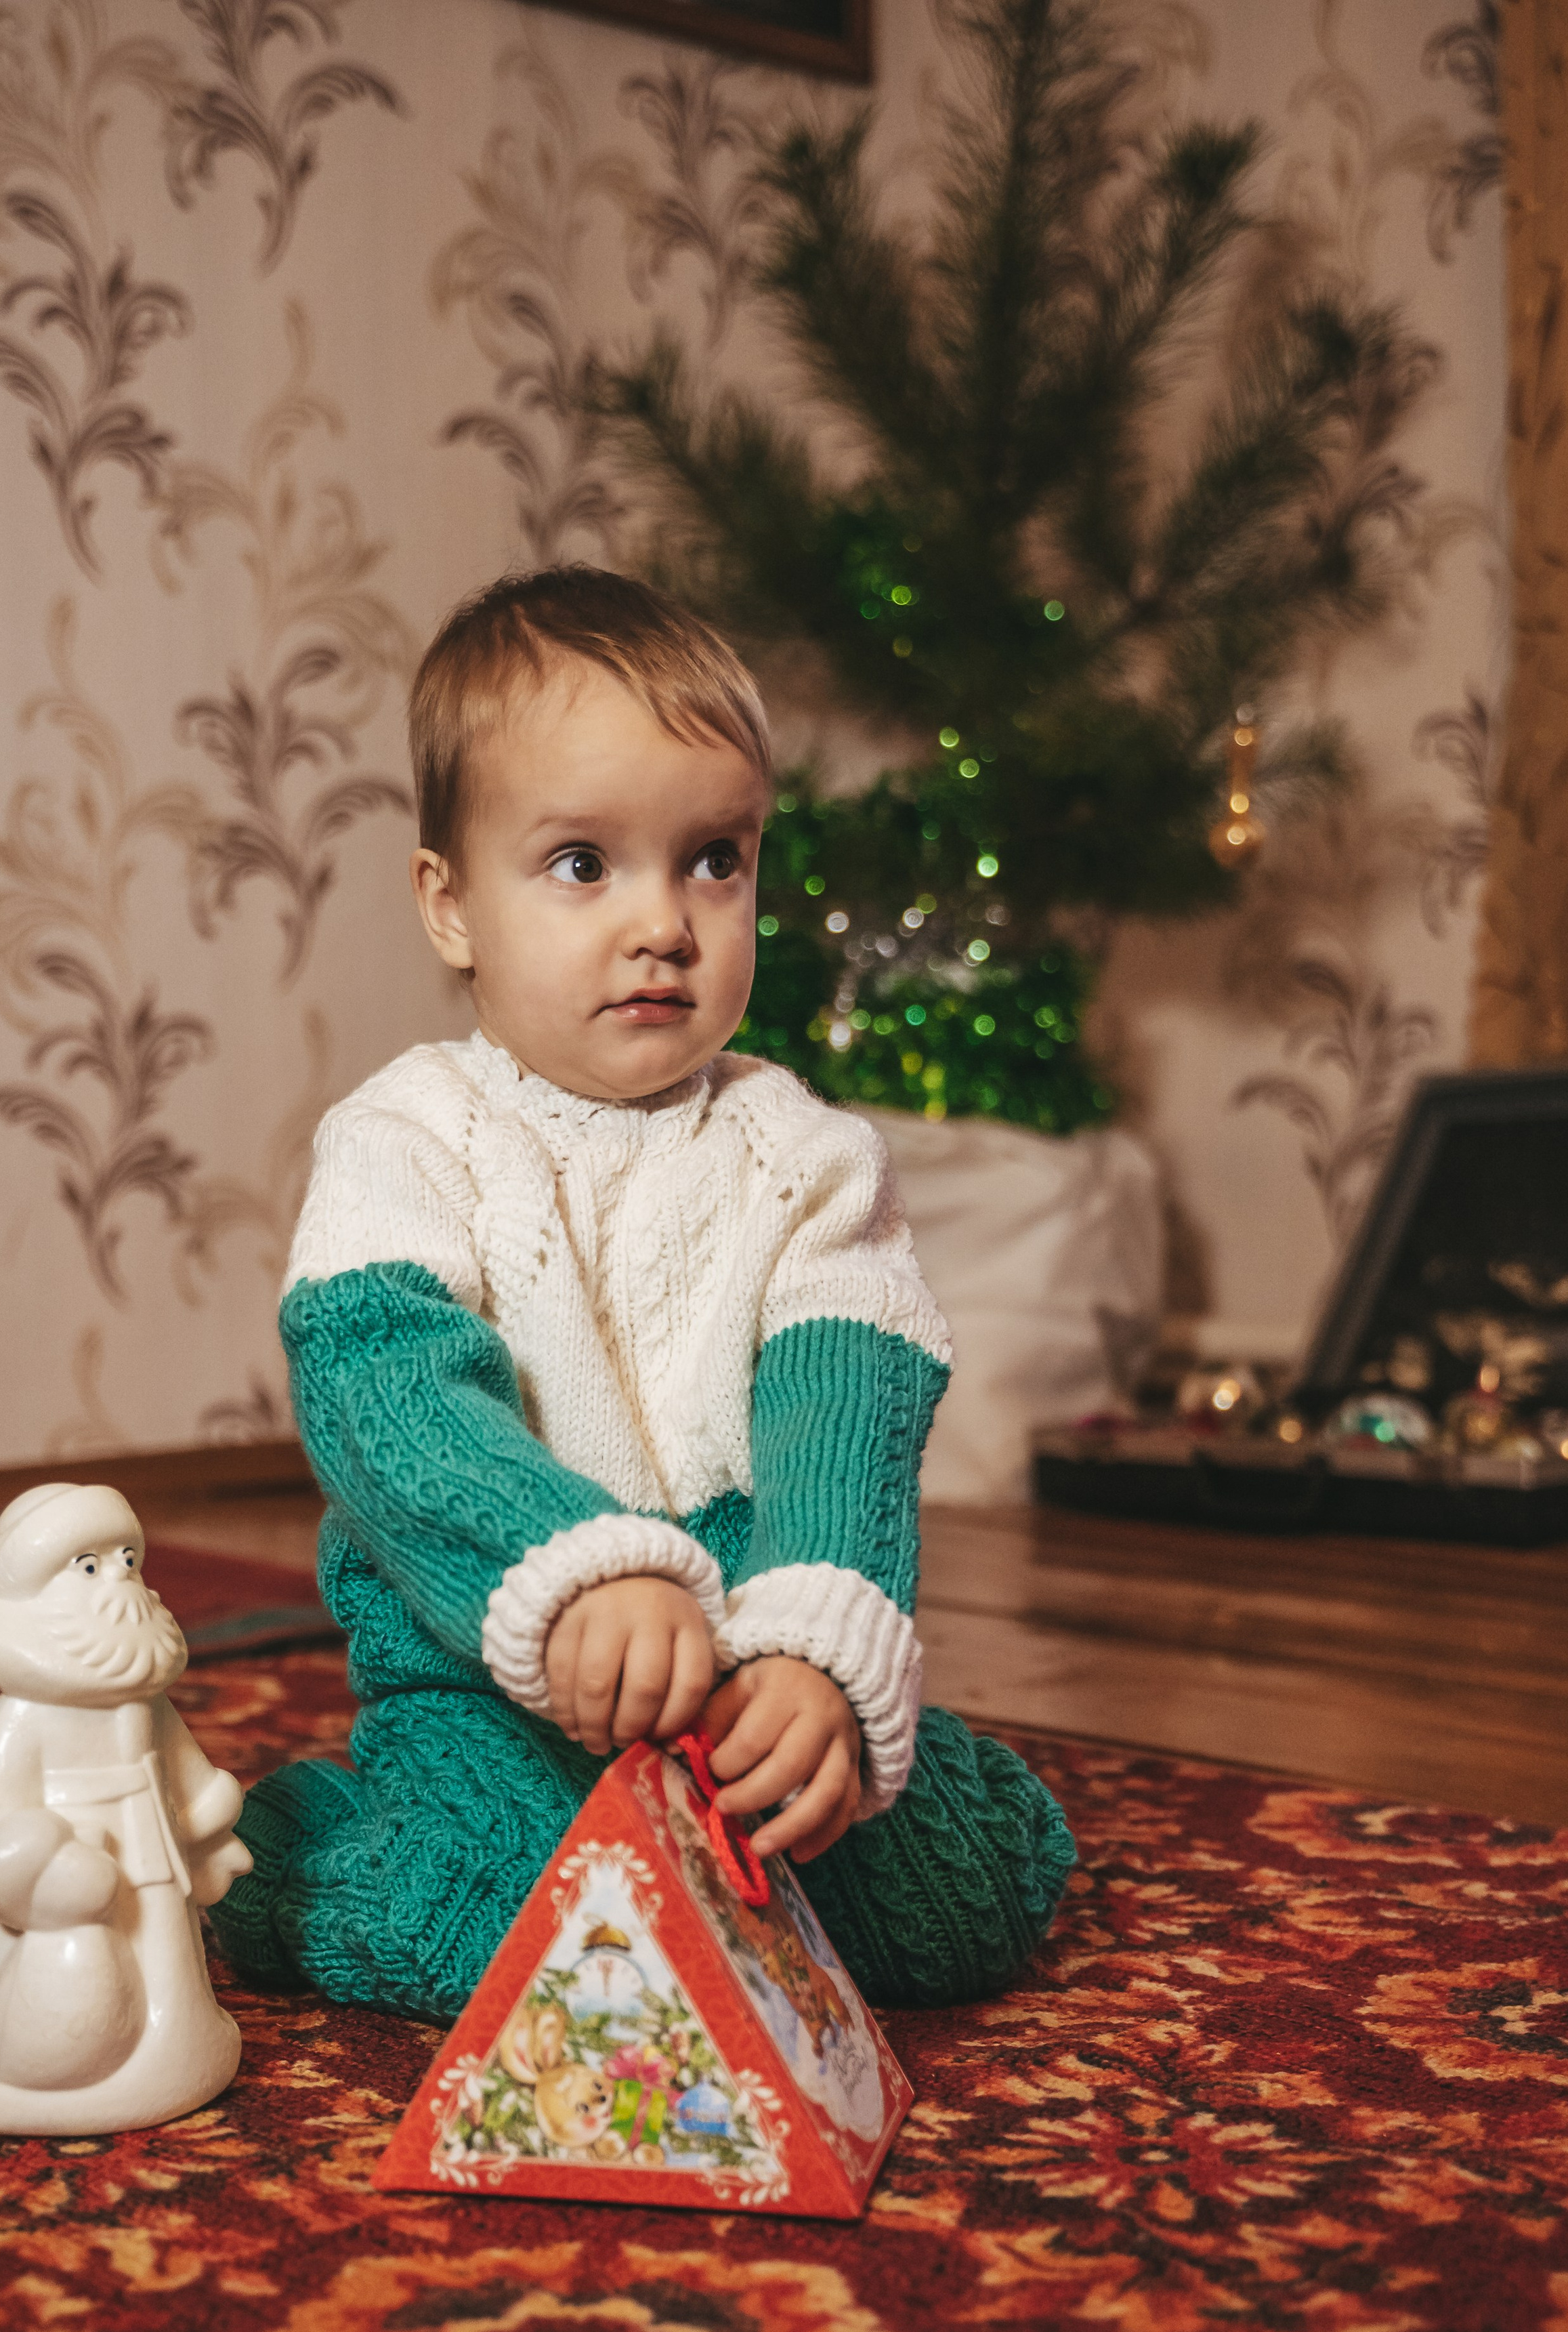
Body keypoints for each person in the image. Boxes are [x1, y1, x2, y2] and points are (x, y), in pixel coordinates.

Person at [211, 565, 1074, 2018]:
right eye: (581, 864)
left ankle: (912, 1782)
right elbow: (387, 1400)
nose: (663, 922)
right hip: (493, 1675)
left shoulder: (811, 1157)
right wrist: (573, 1573)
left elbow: (843, 1422)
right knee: (529, 1935)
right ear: (449, 905)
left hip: (738, 1663)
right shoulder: (405, 1140)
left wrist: (814, 1647)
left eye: (712, 860)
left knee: (958, 1908)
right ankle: (291, 1849)